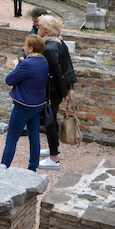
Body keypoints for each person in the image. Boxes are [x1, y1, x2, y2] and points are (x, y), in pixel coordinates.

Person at [1, 34, 48, 172]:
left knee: (11, 139)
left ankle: (3, 168)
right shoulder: (43, 60)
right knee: (34, 137)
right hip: (38, 104)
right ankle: (33, 168)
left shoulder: (27, 64)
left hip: (24, 105)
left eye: (25, 45)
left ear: (31, 48)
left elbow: (9, 80)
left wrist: (20, 64)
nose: (23, 47)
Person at [37, 14, 77, 170]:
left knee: (50, 121)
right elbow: (68, 65)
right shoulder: (59, 42)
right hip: (56, 90)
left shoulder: (50, 48)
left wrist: (64, 90)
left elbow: (58, 72)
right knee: (51, 120)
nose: (37, 28)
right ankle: (55, 150)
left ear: (46, 29)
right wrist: (70, 86)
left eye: (39, 25)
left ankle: (53, 158)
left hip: (52, 90)